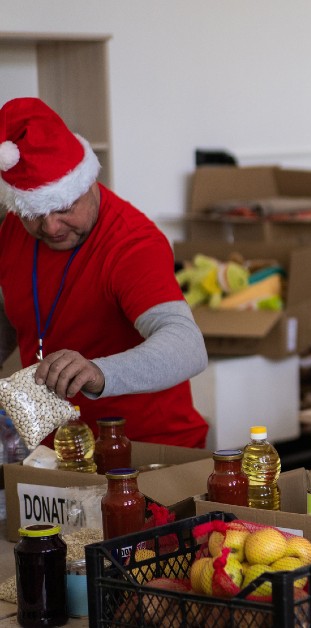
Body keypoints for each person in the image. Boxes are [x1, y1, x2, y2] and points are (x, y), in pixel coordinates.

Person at [0, 97, 208, 447]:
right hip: (58, 451)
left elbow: (188, 346)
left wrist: (99, 372)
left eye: (63, 207)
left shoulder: (132, 243)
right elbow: (12, 312)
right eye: (34, 212)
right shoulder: (12, 230)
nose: (51, 227)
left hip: (146, 448)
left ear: (87, 182)